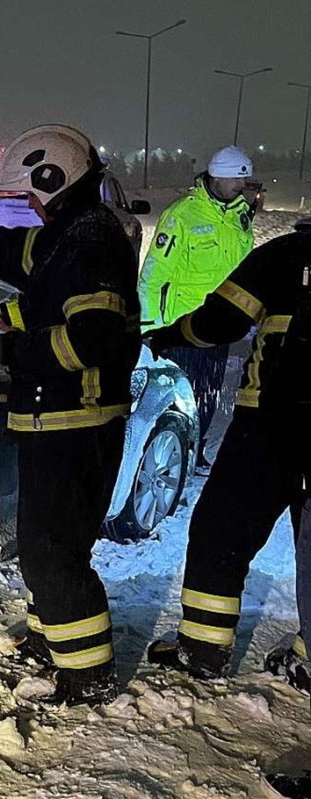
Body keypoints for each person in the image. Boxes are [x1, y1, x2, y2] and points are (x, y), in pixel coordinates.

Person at [0, 124, 141, 705]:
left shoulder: (88, 243)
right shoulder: (74, 233)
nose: (30, 208)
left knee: (49, 548)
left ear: (55, 178)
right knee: (58, 543)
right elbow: (14, 256)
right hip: (73, 420)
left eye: (32, 196)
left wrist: (18, 348)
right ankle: (56, 642)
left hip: (74, 421)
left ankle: (87, 675)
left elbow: (92, 338)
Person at [146, 217, 311, 678]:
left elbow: (220, 321)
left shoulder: (286, 253)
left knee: (222, 530)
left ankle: (202, 649)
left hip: (271, 420)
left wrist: (170, 335)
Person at [138, 146, 257, 471]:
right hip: (181, 326)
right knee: (178, 397)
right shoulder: (182, 215)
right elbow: (152, 274)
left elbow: (243, 270)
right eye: (237, 180)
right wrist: (149, 325)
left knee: (209, 393)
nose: (241, 187)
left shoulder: (239, 216)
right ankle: (166, 457)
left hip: (218, 324)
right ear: (218, 176)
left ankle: (195, 449)